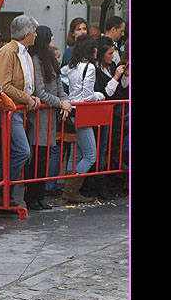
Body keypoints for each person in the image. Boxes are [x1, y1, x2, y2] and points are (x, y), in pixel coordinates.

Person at [0, 15, 41, 206]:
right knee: (22, 151)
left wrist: (30, 97)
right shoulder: (8, 52)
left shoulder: (21, 52)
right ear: (27, 33)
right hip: (10, 110)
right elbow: (4, 85)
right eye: (34, 32)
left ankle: (3, 193)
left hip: (17, 110)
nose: (36, 35)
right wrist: (28, 98)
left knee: (18, 152)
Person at [24, 26, 71, 210]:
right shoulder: (36, 60)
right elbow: (40, 92)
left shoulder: (51, 59)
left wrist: (65, 101)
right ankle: (32, 197)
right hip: (39, 117)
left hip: (50, 116)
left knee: (44, 157)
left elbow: (59, 86)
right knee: (37, 157)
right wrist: (60, 103)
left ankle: (40, 196)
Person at [60, 34, 105, 203]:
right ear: (91, 50)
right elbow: (87, 95)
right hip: (83, 111)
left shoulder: (72, 66)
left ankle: (69, 188)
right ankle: (71, 190)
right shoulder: (90, 68)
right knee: (90, 155)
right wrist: (99, 95)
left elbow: (61, 75)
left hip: (72, 110)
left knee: (76, 154)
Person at [92, 36, 127, 199]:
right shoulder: (95, 69)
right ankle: (97, 183)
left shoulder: (112, 65)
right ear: (101, 53)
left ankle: (107, 179)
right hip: (101, 112)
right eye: (110, 53)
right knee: (99, 149)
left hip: (114, 113)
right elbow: (104, 93)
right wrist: (115, 78)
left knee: (107, 148)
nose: (112, 56)